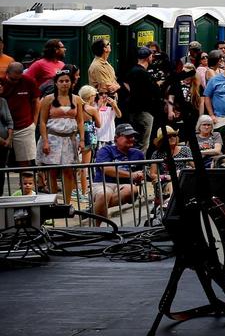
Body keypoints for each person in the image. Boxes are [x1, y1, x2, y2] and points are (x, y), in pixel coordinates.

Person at [37, 68, 84, 203]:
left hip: (69, 138)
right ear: (56, 83)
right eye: (61, 81)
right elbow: (43, 121)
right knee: (52, 171)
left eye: (67, 81)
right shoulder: (48, 99)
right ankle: (53, 203)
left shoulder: (77, 99)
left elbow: (80, 120)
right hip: (53, 138)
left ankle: (67, 202)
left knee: (68, 172)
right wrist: (45, 141)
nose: (64, 83)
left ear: (71, 82)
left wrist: (82, 139)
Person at [92, 124, 146, 219]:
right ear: (116, 138)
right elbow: (106, 168)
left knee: (131, 189)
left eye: (132, 136)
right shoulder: (105, 150)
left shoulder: (138, 154)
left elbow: (142, 172)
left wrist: (140, 176)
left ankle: (96, 208)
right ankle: (95, 228)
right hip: (102, 184)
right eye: (127, 136)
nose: (131, 138)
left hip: (124, 186)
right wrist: (131, 175)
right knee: (104, 194)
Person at [123, 46, 163, 153]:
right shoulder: (144, 74)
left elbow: (125, 82)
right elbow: (154, 90)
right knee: (143, 143)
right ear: (148, 57)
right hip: (144, 111)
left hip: (132, 111)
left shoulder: (132, 70)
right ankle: (139, 167)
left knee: (134, 141)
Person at [2, 62, 39, 169]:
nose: (15, 82)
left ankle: (25, 184)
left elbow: (36, 101)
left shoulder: (29, 81)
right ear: (7, 73)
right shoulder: (1, 82)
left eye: (18, 79)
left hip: (24, 125)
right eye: (13, 79)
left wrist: (34, 122)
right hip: (4, 127)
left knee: (25, 162)